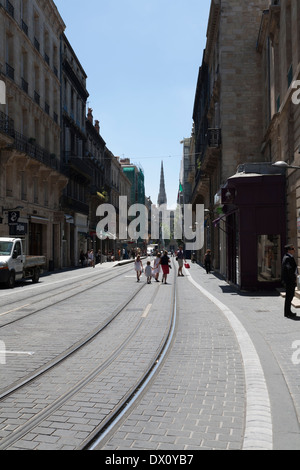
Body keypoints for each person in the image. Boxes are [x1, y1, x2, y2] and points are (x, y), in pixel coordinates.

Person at [282, 244, 298, 318]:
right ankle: (287, 312)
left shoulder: (288, 257)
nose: (294, 250)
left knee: (290, 296)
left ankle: (288, 311)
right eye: (292, 249)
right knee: (289, 296)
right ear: (289, 250)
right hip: (289, 281)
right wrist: (293, 279)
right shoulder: (287, 258)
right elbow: (289, 269)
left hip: (289, 281)